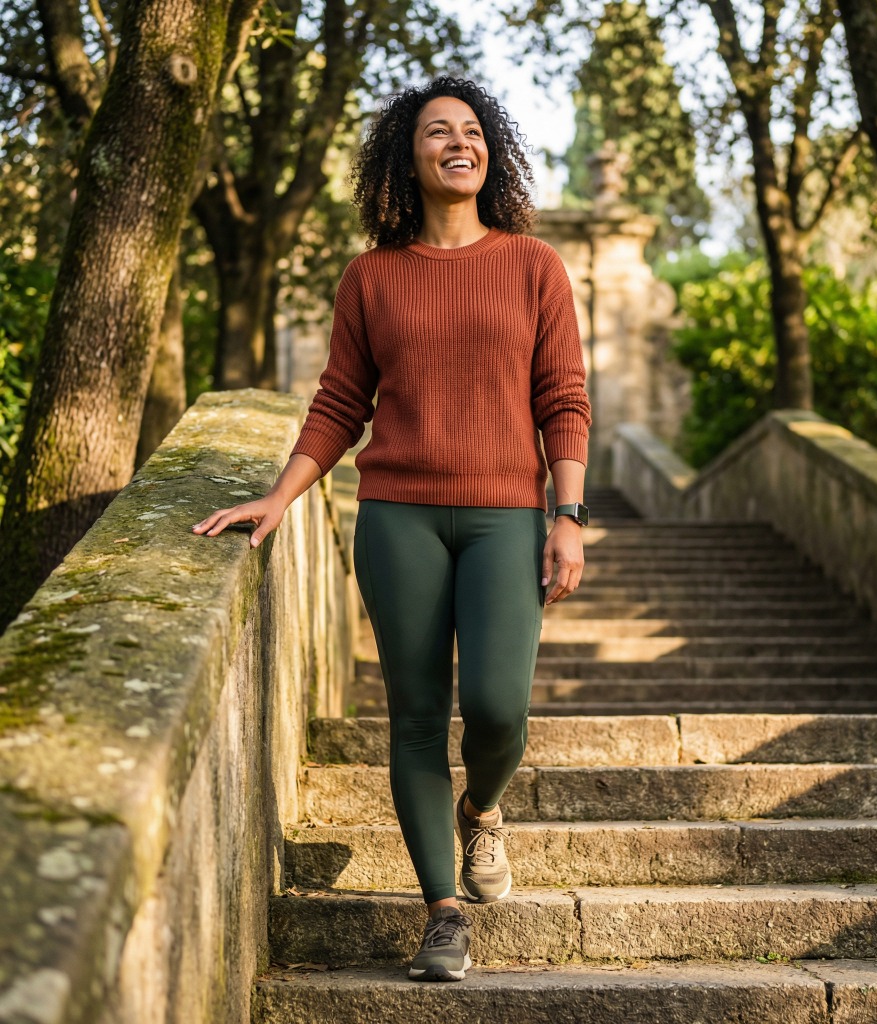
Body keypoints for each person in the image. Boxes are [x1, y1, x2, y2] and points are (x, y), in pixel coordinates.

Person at [192, 75, 591, 983]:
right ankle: (443, 913)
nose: (460, 142)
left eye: (473, 130)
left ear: (492, 153)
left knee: (497, 707)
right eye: (437, 132)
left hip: (504, 514)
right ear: (406, 160)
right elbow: (339, 402)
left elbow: (563, 398)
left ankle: (482, 808)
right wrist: (280, 495)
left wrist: (565, 517)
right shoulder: (372, 276)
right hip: (398, 517)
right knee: (415, 717)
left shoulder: (534, 266)